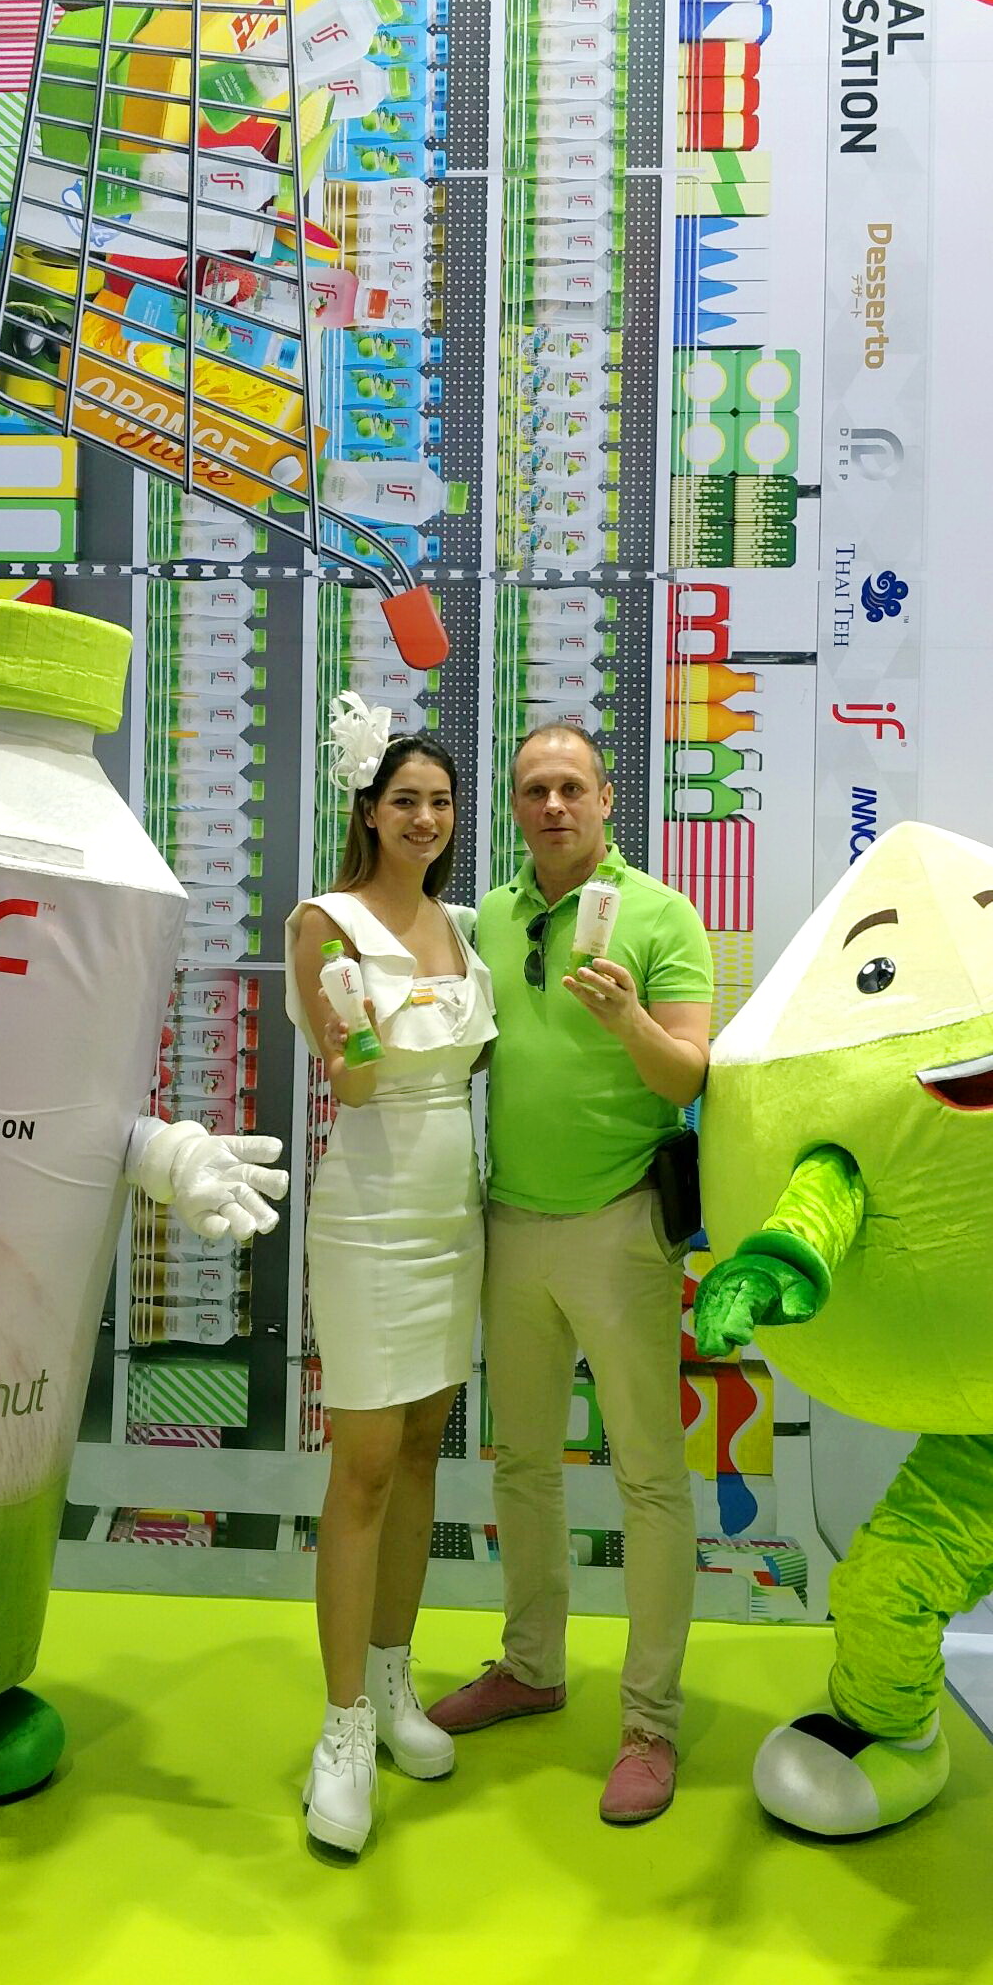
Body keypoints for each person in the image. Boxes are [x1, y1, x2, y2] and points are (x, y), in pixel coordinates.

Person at [429, 721, 712, 1826]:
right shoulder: (493, 917)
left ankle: (649, 1724)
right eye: (533, 790)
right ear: (514, 807)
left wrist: (628, 1017)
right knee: (522, 1464)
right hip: (510, 1222)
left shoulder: (663, 915)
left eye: (570, 788)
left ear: (605, 798)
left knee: (649, 1480)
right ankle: (532, 1668)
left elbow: (687, 1076)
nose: (552, 806)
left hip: (621, 1226)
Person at [285, 694, 496, 1855]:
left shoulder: (463, 927)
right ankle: (342, 1726)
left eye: (441, 802)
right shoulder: (325, 924)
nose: (425, 818)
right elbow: (356, 1088)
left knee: (422, 1451)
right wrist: (356, 1030)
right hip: (368, 1222)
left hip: (454, 1218)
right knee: (363, 1468)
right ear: (367, 810)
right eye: (405, 800)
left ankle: (394, 1675)